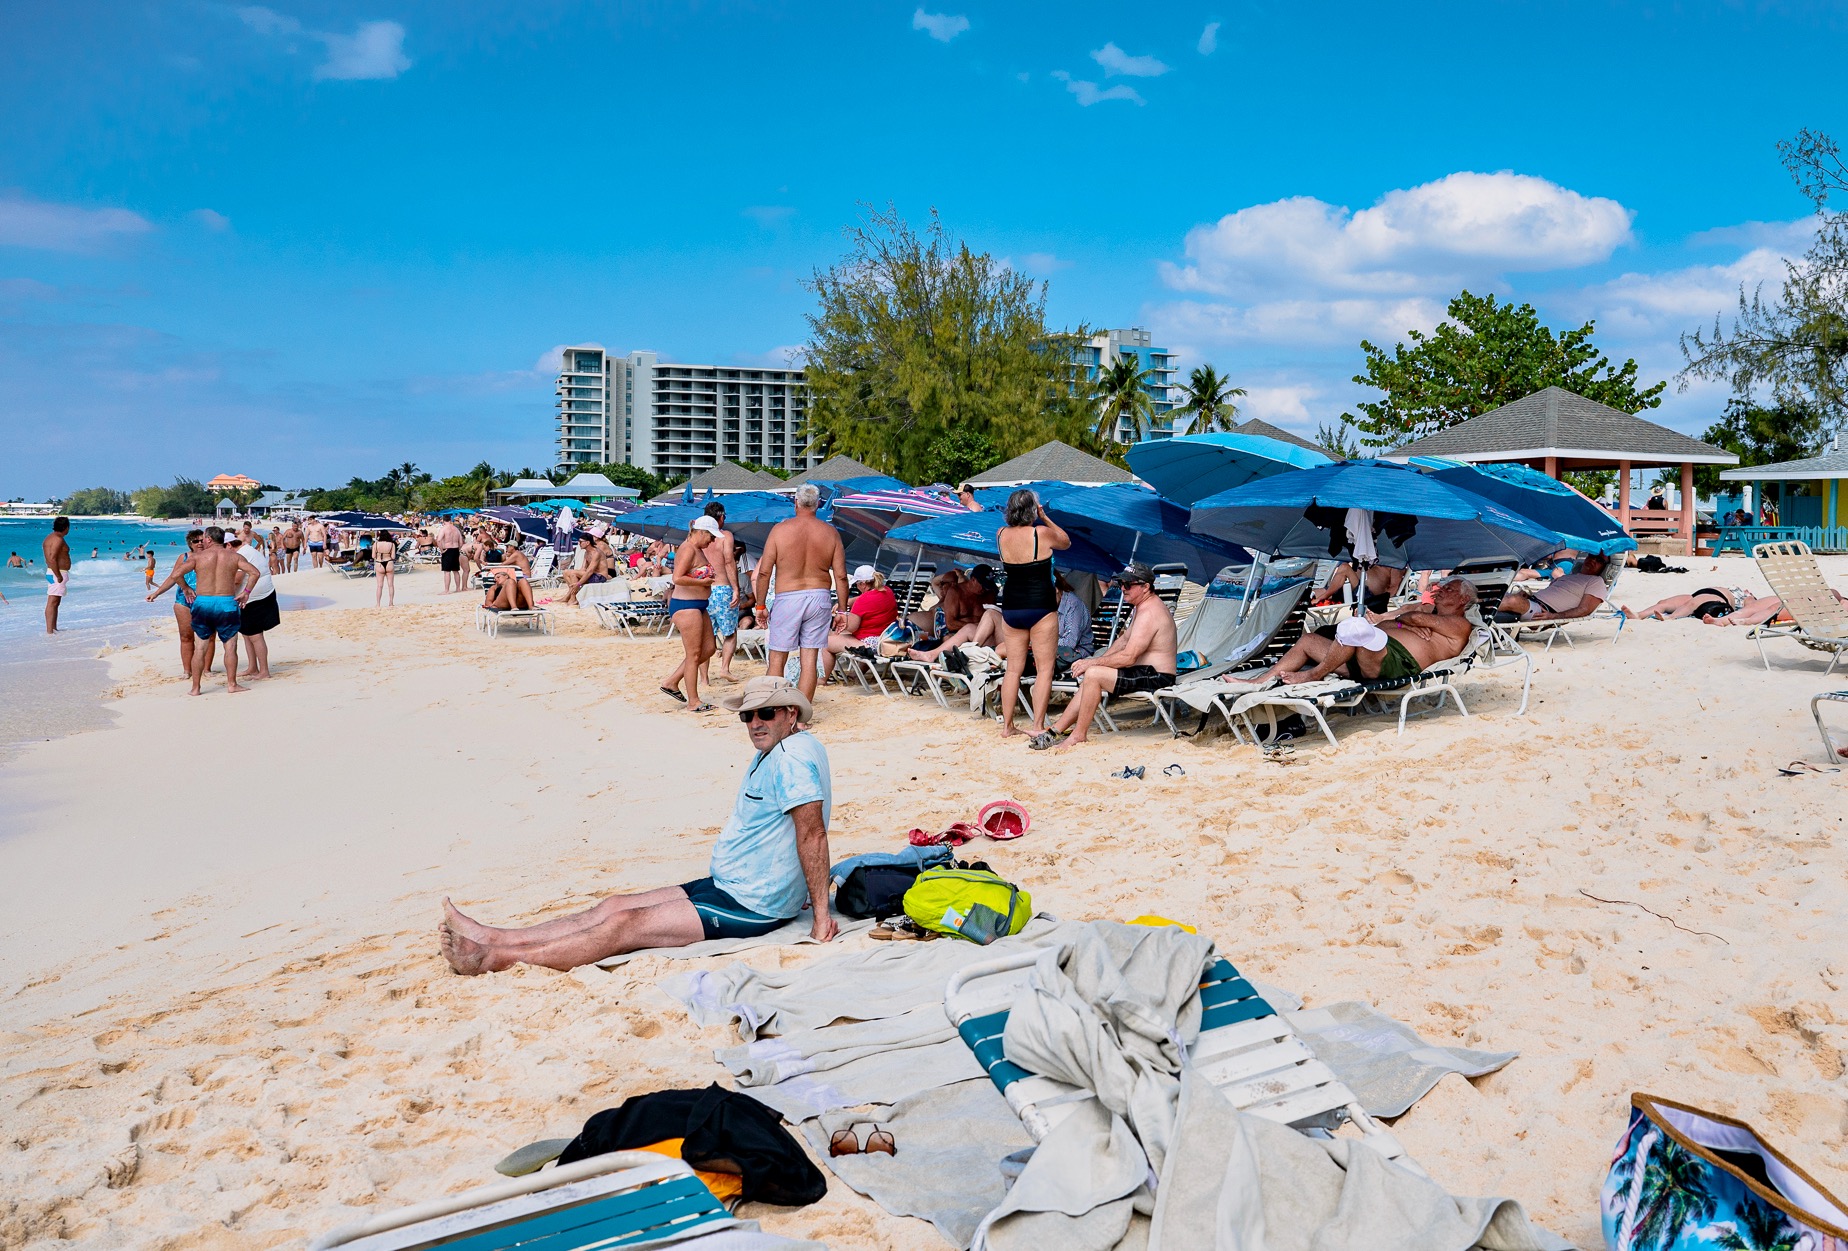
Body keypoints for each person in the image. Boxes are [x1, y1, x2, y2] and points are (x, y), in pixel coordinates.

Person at [439, 676, 835, 973]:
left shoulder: (791, 760)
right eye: (748, 716)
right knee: (615, 906)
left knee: (624, 926)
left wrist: (819, 915)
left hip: (754, 904)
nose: (754, 723)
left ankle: (495, 958)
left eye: (765, 713)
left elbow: (812, 833)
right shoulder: (787, 747)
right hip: (732, 884)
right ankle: (495, 935)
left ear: (790, 713)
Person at [1034, 562, 1177, 752]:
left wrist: (1092, 663)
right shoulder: (1142, 607)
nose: (1122, 589)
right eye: (1120, 584)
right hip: (1144, 672)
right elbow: (1124, 640)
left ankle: (1079, 735)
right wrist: (1096, 663)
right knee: (1093, 673)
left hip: (1156, 676)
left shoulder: (1150, 612)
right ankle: (1056, 730)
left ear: (1145, 587)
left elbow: (1129, 656)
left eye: (1128, 585)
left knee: (1094, 674)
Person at [1243, 576, 1480, 687]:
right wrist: (1403, 623)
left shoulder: (1460, 624)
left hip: (1397, 663)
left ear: (1463, 599)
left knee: (1354, 627)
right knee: (1308, 640)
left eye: (1448, 589)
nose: (1439, 590)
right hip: (1367, 655)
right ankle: (1259, 681)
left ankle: (1314, 674)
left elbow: (1415, 616)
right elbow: (1399, 620)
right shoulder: (1431, 617)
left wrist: (1412, 620)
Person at [755, 483, 848, 705]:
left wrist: (760, 606)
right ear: (818, 505)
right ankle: (801, 717)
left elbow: (765, 572)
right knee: (810, 659)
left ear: (795, 502)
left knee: (777, 657)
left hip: (788, 595)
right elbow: (842, 576)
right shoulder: (830, 533)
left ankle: (773, 711)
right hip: (819, 597)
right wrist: (843, 610)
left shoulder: (780, 530)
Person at [994, 489, 1072, 745]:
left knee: (1013, 669)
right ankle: (1037, 724)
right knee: (1044, 669)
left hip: (1012, 606)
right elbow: (1066, 542)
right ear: (1032, 509)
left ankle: (1007, 726)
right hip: (1040, 605)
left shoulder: (1000, 534)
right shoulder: (1041, 533)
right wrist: (1044, 516)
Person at [146, 525, 259, 695]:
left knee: (200, 647)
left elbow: (176, 574)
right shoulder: (235, 556)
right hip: (226, 602)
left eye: (204, 538)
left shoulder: (198, 557)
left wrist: (185, 588)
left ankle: (195, 688)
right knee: (230, 646)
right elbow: (255, 573)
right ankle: (231, 685)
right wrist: (246, 593)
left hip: (203, 602)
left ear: (209, 539)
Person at [660, 517, 720, 711]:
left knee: (709, 648)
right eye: (710, 536)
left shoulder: (697, 550)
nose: (712, 541)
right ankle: (693, 702)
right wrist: (702, 583)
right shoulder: (687, 548)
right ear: (701, 532)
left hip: (698, 605)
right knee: (693, 654)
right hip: (686, 605)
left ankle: (672, 681)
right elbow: (677, 577)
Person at [820, 566, 899, 681]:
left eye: (857, 584)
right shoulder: (887, 591)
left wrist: (843, 615)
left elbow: (852, 627)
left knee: (827, 643)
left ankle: (822, 680)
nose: (857, 587)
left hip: (870, 644)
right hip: (886, 638)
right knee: (836, 635)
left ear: (863, 584)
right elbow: (866, 597)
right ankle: (857, 674)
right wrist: (849, 602)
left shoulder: (863, 601)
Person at [1495, 553, 1609, 623]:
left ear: (1604, 567)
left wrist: (1554, 616)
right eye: (1592, 556)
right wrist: (1529, 596)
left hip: (1544, 613)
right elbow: (1552, 594)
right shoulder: (1570, 576)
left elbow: (1584, 610)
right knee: (1498, 594)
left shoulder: (1596, 582)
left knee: (1513, 600)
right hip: (1533, 603)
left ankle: (1479, 611)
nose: (1593, 560)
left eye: (1599, 560)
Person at [701, 502, 743, 683]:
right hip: (722, 587)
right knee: (730, 633)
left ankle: (704, 678)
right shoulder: (725, 536)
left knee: (705, 634)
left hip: (703, 589)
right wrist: (736, 588)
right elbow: (728, 561)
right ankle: (724, 668)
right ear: (720, 517)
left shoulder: (698, 536)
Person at [230, 536, 279, 680]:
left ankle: (264, 671)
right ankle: (253, 667)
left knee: (255, 635)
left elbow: (238, 580)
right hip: (257, 596)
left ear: (228, 545)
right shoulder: (247, 549)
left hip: (255, 598)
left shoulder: (241, 554)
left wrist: (225, 596)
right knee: (246, 633)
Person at [1314, 562, 1405, 614]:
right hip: (1353, 588)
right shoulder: (1373, 554)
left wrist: (1380, 602)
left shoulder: (1395, 562)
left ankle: (1324, 596)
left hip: (1369, 596)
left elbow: (1394, 587)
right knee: (1312, 593)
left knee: (1345, 567)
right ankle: (1304, 599)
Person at [1619, 587, 1744, 622]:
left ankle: (1670, 617)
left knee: (1692, 604)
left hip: (1717, 598)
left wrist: (1748, 597)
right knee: (1664, 603)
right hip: (1701, 594)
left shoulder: (1742, 596)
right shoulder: (1739, 591)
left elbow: (1752, 606)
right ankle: (1639, 615)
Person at [480, 543, 533, 612]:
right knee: (510, 582)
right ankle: (513, 607)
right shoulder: (494, 587)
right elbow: (488, 602)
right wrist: (492, 606)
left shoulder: (517, 554)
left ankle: (531, 606)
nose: (496, 579)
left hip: (519, 602)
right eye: (495, 578)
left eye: (498, 577)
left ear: (506, 576)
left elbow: (504, 564)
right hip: (502, 603)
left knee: (523, 581)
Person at [1056, 571, 1093, 664]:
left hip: (1075, 653)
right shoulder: (1048, 605)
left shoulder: (1073, 604)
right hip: (1053, 649)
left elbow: (1070, 643)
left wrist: (1042, 642)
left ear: (1056, 589)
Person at [42, 516, 71, 634]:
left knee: (55, 601)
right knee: (53, 601)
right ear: (65, 527)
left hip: (52, 572)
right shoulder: (58, 539)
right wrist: (58, 575)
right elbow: (52, 559)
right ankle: (50, 631)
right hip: (56, 573)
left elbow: (49, 559)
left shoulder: (50, 538)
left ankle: (53, 629)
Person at [435, 516, 465, 593]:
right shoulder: (456, 529)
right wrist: (458, 549)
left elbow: (438, 540)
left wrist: (442, 550)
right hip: (455, 549)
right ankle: (458, 588)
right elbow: (461, 542)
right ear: (450, 520)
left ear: (443, 520)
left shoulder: (444, 529)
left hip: (447, 549)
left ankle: (446, 590)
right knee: (456, 570)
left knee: (447, 571)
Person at [373, 529, 398, 607]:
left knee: (379, 585)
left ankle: (378, 604)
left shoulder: (376, 544)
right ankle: (391, 602)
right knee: (390, 585)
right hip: (389, 563)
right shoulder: (391, 544)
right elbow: (393, 556)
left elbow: (373, 556)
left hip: (379, 563)